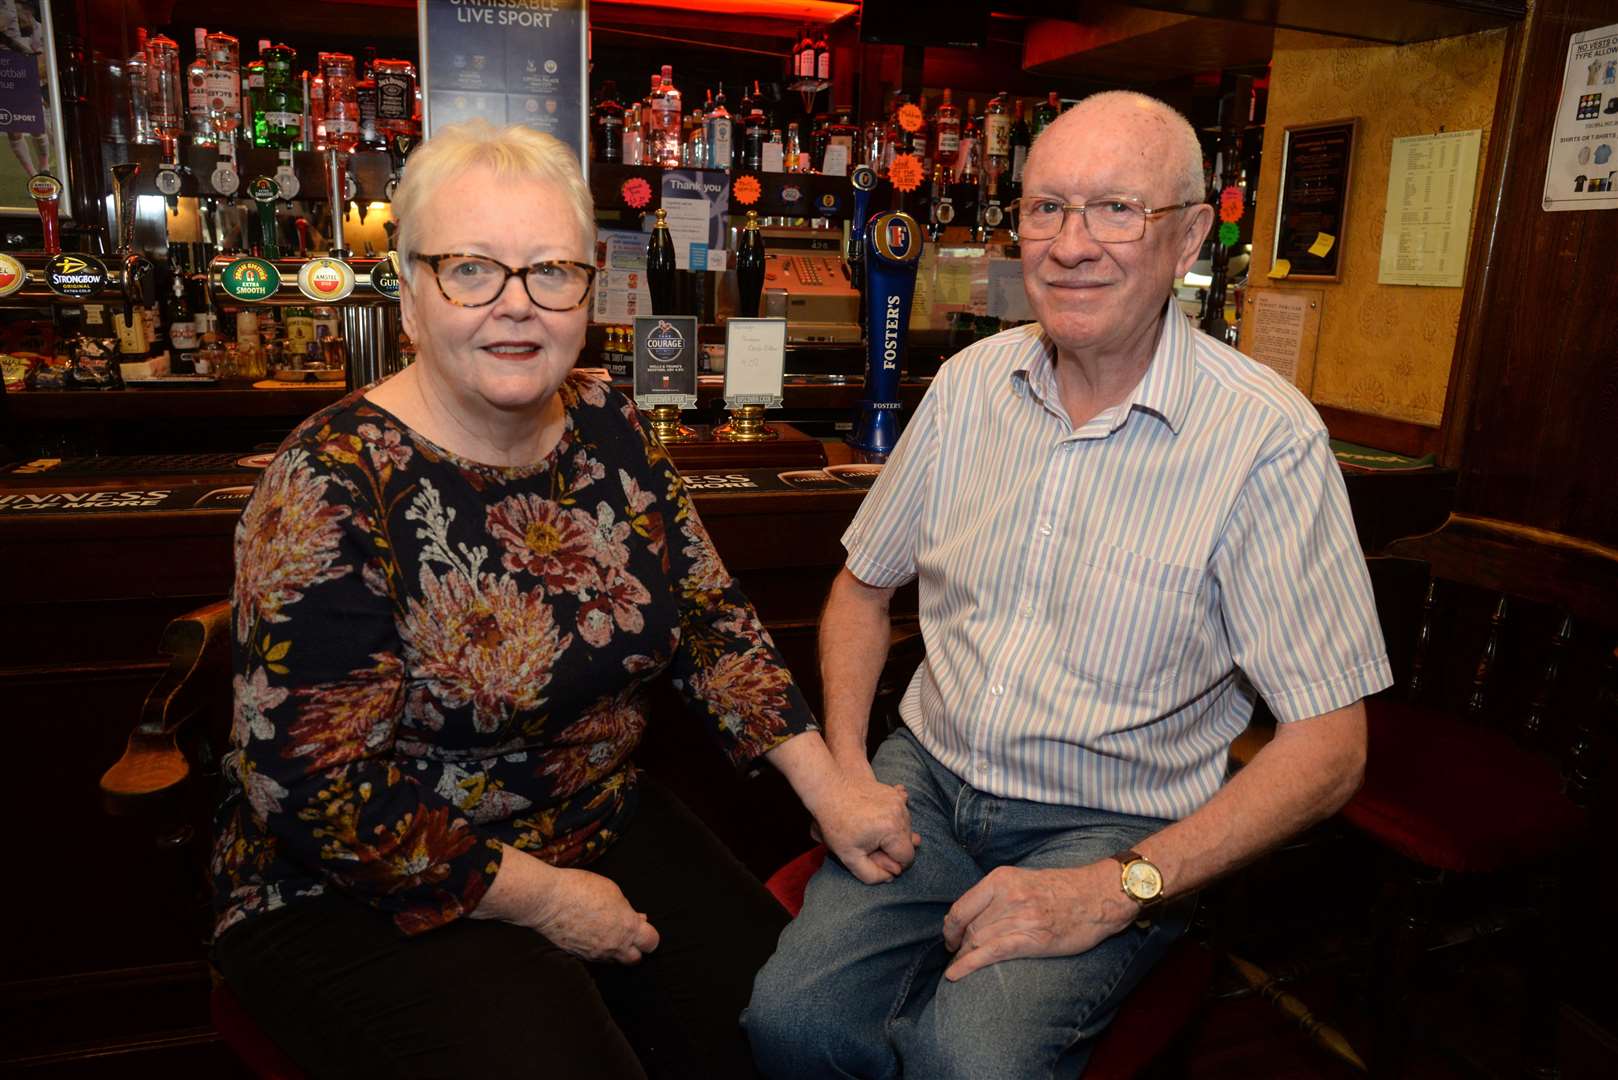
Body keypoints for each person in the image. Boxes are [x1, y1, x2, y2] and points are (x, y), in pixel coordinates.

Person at [210, 120, 915, 1080]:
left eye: (551, 271)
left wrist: (831, 788)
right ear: (411, 295)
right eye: (471, 270)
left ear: (591, 290)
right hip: (354, 883)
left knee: (792, 1029)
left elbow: (709, 619)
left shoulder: (607, 418)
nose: (517, 307)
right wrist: (542, 899)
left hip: (594, 817)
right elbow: (312, 788)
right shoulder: (328, 480)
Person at [745, 90, 1393, 1078]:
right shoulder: (968, 385)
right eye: (1046, 208)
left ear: (1184, 240)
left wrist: (1122, 886)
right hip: (925, 783)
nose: (1069, 243)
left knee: (969, 1062)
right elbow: (859, 591)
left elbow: (1330, 748)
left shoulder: (1263, 439)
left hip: (1111, 823)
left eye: (1114, 209)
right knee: (790, 1025)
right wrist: (845, 774)